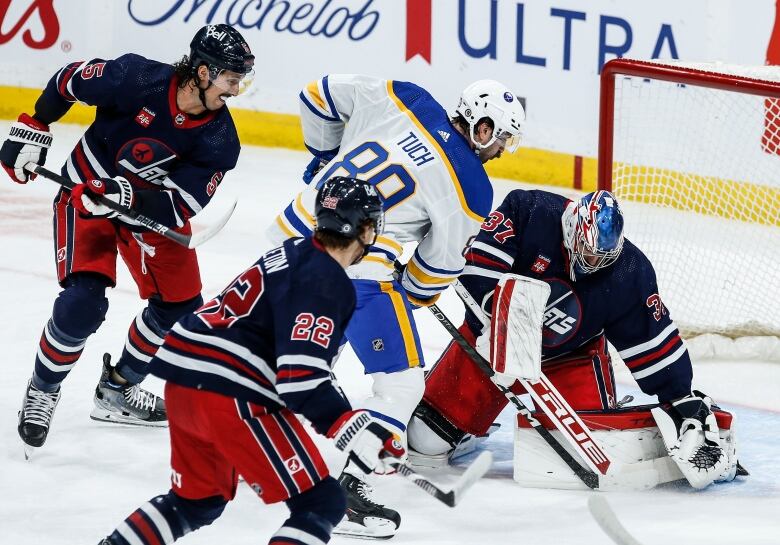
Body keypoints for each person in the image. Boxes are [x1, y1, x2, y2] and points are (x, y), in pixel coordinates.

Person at [266, 75, 525, 538]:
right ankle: (343, 498)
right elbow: (434, 273)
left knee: (298, 354)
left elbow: (316, 95)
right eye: (502, 137)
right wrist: (405, 294)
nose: (502, 149)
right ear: (483, 128)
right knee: (402, 387)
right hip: (354, 270)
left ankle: (243, 438)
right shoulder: (472, 188)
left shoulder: (406, 96)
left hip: (289, 236)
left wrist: (326, 161)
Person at [96, 176, 403, 545]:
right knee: (322, 504)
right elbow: (300, 377)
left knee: (197, 503)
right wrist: (348, 425)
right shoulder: (329, 283)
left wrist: (346, 422)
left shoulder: (291, 250)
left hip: (182, 378)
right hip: (229, 391)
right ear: (366, 230)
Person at [0, 24, 254, 457]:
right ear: (205, 72)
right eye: (231, 77)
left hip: (143, 214)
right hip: (83, 196)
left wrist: (123, 195)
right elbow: (67, 82)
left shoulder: (220, 138)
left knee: (179, 308)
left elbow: (181, 206)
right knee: (83, 304)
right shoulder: (135, 78)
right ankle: (43, 389)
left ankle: (118, 389)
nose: (237, 88)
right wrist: (35, 124)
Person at [407, 189, 739, 489]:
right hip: (491, 342)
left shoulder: (629, 272)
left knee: (584, 455)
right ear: (573, 229)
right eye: (589, 253)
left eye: (602, 257)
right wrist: (501, 330)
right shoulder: (529, 210)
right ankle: (462, 427)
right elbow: (480, 270)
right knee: (425, 442)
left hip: (572, 355)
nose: (593, 263)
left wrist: (681, 397)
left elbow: (653, 343)